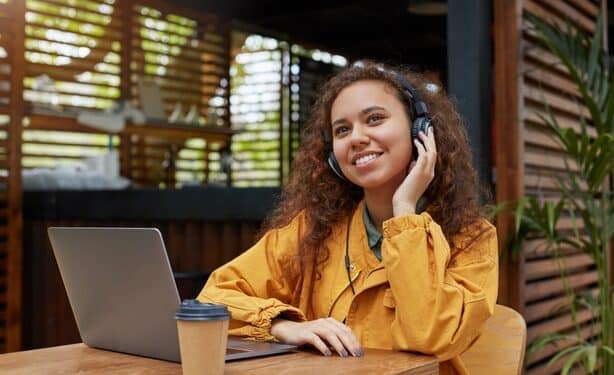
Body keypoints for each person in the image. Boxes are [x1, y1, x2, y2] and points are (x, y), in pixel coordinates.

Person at [198, 61, 498, 375]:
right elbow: (211, 301)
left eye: (375, 119)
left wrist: (404, 211)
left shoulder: (472, 238)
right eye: (343, 129)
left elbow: (430, 336)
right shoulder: (312, 230)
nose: (356, 137)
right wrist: (281, 325)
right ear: (332, 154)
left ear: (420, 129)